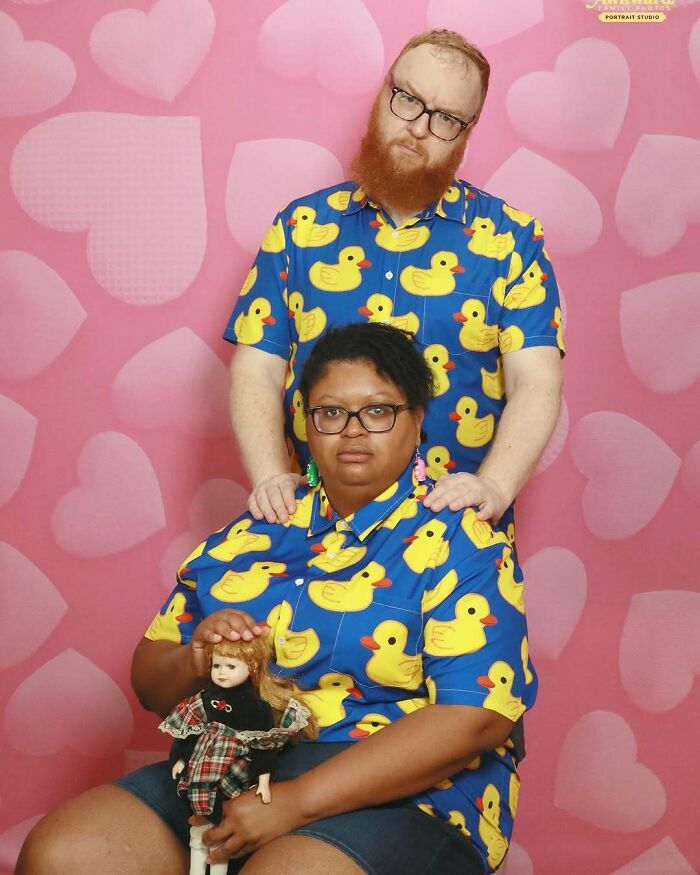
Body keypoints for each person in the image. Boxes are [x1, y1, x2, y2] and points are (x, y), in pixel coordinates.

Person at [17, 323, 536, 875]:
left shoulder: (463, 541)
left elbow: (477, 718)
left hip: (401, 792)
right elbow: (150, 679)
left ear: (416, 420)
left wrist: (294, 801)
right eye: (331, 413)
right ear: (307, 424)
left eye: (379, 411)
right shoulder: (253, 532)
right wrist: (200, 657)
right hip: (223, 771)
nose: (353, 431)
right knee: (64, 854)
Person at [227, 29, 564, 537]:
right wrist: (272, 476)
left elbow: (536, 380)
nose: (418, 128)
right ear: (383, 95)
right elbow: (257, 366)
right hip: (311, 527)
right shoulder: (298, 228)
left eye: (446, 118)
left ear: (467, 131)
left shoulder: (513, 241)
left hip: (454, 535)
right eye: (407, 99)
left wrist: (494, 486)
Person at [162, 638, 314, 875]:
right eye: (217, 666)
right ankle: (196, 868)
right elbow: (189, 732)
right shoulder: (205, 699)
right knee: (200, 818)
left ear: (251, 668)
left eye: (230, 667)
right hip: (205, 760)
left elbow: (263, 746)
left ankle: (217, 867)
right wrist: (180, 758)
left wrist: (264, 781)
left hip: (236, 763)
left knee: (222, 823)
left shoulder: (256, 707)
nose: (222, 673)